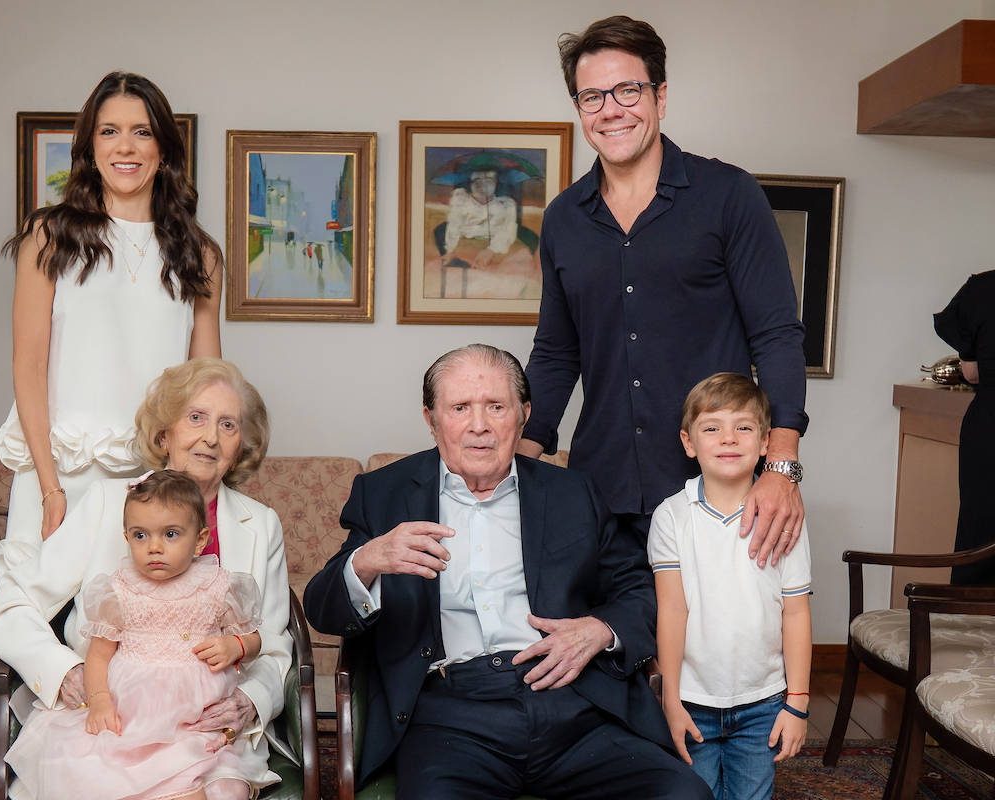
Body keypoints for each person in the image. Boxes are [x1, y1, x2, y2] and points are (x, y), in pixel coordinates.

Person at [303, 344, 712, 800]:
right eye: (460, 407)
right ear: (431, 419)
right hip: (449, 718)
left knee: (684, 794)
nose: (479, 425)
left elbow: (638, 589)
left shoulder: (574, 492)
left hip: (575, 705)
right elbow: (321, 608)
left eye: (496, 406)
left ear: (523, 415)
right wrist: (367, 560)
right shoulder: (384, 493)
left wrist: (600, 629)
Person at [519, 15, 808, 566]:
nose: (610, 109)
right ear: (579, 109)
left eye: (628, 90)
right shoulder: (562, 220)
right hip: (600, 496)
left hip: (718, 492)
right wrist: (515, 462)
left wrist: (781, 468)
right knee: (602, 624)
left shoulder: (729, 196)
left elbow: (776, 336)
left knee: (720, 628)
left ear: (661, 96)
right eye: (592, 96)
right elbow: (556, 354)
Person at [0, 358, 290, 800]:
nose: (210, 437)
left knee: (223, 793)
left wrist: (250, 702)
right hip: (112, 717)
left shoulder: (261, 524)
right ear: (164, 435)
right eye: (196, 418)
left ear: (240, 446)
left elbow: (273, 642)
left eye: (228, 425)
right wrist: (66, 672)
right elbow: (10, 605)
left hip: (208, 729)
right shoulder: (107, 502)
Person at [0, 71, 224, 578]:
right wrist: (49, 489)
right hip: (60, 472)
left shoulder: (200, 254)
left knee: (138, 620)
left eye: (142, 132)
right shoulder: (49, 237)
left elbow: (207, 388)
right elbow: (28, 367)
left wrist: (195, 492)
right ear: (90, 147)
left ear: (163, 148)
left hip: (152, 485)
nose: (126, 147)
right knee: (35, 608)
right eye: (109, 131)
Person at [6, 470, 270, 800]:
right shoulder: (119, 590)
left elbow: (255, 640)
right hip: (131, 715)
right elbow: (99, 654)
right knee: (108, 775)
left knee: (192, 778)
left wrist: (237, 646)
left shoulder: (218, 586)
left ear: (200, 540)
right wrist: (99, 700)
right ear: (127, 537)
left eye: (171, 534)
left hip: (194, 718)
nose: (154, 547)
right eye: (140, 535)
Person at [649, 373, 812, 799]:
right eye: (712, 428)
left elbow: (796, 612)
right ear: (689, 443)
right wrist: (670, 700)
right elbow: (672, 610)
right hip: (692, 702)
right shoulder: (671, 516)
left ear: (765, 442)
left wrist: (797, 702)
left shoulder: (784, 517)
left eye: (743, 427)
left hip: (763, 704)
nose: (728, 438)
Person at [935, 270, 995, 585]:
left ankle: (967, 615)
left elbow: (971, 373)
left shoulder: (982, 289)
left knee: (979, 534)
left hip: (989, 427)